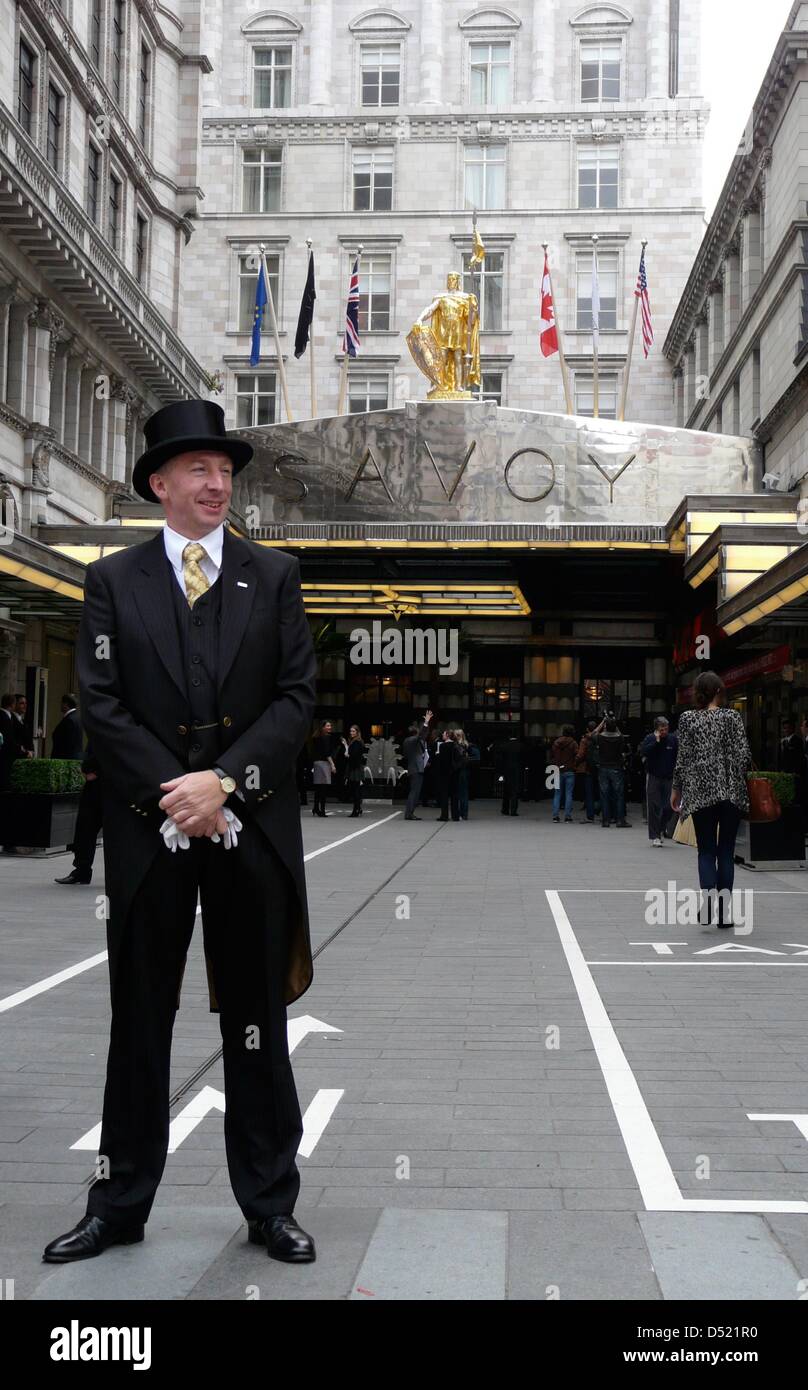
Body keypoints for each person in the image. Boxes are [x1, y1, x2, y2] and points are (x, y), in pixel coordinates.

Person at [43, 398, 317, 1266]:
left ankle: (270, 1205)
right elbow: (102, 703)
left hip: (248, 830)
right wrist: (178, 793)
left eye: (226, 471)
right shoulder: (113, 582)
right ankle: (119, 1203)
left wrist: (225, 782)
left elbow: (297, 699)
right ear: (159, 485)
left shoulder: (272, 576)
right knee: (140, 1022)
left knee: (255, 1024)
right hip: (149, 831)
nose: (217, 483)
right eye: (198, 470)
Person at [671, 670, 752, 928]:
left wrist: (677, 789)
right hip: (730, 793)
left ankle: (707, 906)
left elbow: (683, 758)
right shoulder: (733, 717)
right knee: (726, 852)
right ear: (718, 691)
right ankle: (724, 914)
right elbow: (743, 755)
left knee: (706, 851)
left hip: (701, 793)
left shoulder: (688, 719)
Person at [55, 744, 103, 885]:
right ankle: (82, 870)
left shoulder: (106, 726)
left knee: (88, 829)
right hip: (99, 786)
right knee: (85, 829)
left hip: (104, 786)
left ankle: (83, 870)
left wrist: (92, 769)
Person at [639, 716, 678, 847]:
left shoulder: (673, 739)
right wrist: (656, 741)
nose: (664, 732)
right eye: (662, 730)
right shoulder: (650, 738)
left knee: (669, 806)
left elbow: (679, 757)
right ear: (656, 729)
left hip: (669, 777)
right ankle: (655, 835)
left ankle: (661, 828)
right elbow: (644, 752)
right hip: (654, 776)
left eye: (666, 729)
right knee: (654, 805)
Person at [592, 715, 631, 828]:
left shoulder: (600, 737)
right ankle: (620, 820)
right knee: (619, 795)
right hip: (616, 768)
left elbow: (593, 733)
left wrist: (603, 722)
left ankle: (605, 820)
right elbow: (620, 734)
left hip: (603, 768)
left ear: (605, 726)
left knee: (604, 795)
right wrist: (614, 724)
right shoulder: (619, 738)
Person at [402, 710, 432, 821]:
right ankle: (409, 814)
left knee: (413, 791)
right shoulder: (414, 740)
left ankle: (409, 813)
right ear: (415, 732)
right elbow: (423, 735)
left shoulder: (406, 741)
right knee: (415, 792)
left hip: (412, 767)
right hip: (416, 769)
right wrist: (426, 722)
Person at [550, 725, 578, 823]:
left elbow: (552, 755)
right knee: (569, 794)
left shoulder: (556, 743)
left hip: (558, 770)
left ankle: (555, 816)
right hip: (569, 770)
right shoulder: (573, 743)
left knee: (557, 794)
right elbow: (577, 755)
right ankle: (567, 816)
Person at [575, 719, 599, 824]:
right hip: (600, 768)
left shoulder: (584, 740)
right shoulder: (600, 738)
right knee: (602, 791)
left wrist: (575, 763)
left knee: (589, 794)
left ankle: (590, 816)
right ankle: (601, 809)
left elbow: (580, 755)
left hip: (588, 768)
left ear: (587, 729)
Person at [311, 719, 336, 818]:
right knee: (323, 788)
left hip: (316, 763)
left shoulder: (316, 737)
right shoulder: (326, 737)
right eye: (328, 726)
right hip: (324, 763)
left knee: (318, 788)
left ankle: (316, 808)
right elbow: (327, 753)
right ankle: (322, 810)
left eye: (330, 726)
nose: (330, 727)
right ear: (323, 727)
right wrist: (333, 765)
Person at [495, 735, 524, 816]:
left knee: (506, 790)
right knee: (514, 791)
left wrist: (500, 771)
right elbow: (522, 759)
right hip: (516, 770)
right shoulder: (520, 746)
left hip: (506, 770)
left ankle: (505, 809)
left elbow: (499, 760)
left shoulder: (504, 746)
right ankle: (513, 810)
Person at [51, 693, 84, 760]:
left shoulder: (69, 720)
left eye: (61, 703)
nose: (60, 705)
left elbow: (68, 743)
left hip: (66, 760)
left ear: (65, 704)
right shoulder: (77, 718)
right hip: (75, 759)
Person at [346, 724, 367, 817]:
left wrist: (348, 755)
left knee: (355, 790)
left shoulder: (357, 742)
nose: (351, 733)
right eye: (351, 731)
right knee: (356, 789)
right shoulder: (356, 741)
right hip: (356, 767)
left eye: (353, 731)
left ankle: (356, 810)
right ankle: (358, 809)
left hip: (355, 768)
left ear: (357, 732)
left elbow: (354, 756)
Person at [451, 727, 471, 820]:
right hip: (465, 771)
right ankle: (464, 814)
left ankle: (459, 813)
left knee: (458, 793)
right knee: (464, 793)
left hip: (459, 771)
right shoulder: (466, 745)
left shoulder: (456, 746)